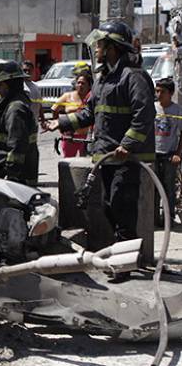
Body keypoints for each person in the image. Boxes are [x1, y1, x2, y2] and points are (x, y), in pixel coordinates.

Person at [45, 20, 156, 248]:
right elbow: (89, 113)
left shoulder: (133, 76)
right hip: (108, 155)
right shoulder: (104, 80)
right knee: (109, 207)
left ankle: (126, 261)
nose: (96, 50)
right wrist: (61, 123)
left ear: (112, 47)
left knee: (121, 208)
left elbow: (144, 114)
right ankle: (123, 254)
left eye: (99, 45)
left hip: (126, 157)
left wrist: (127, 144)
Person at [0, 61, 39, 186]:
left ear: (9, 85)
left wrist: (11, 174)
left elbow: (17, 146)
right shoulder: (13, 102)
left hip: (19, 177)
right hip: (16, 173)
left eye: (0, 85)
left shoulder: (15, 109)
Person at [153, 78, 182, 226]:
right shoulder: (152, 108)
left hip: (169, 155)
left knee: (169, 187)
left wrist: (178, 153)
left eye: (162, 92)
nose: (158, 94)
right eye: (157, 91)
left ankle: (168, 218)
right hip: (153, 154)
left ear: (170, 93)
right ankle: (153, 218)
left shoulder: (177, 110)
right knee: (154, 188)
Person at [52, 72, 92, 157]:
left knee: (85, 164)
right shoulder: (68, 96)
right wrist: (60, 125)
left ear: (89, 85)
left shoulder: (91, 97)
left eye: (83, 83)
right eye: (78, 82)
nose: (80, 85)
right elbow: (54, 109)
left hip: (86, 137)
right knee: (68, 162)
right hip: (70, 137)